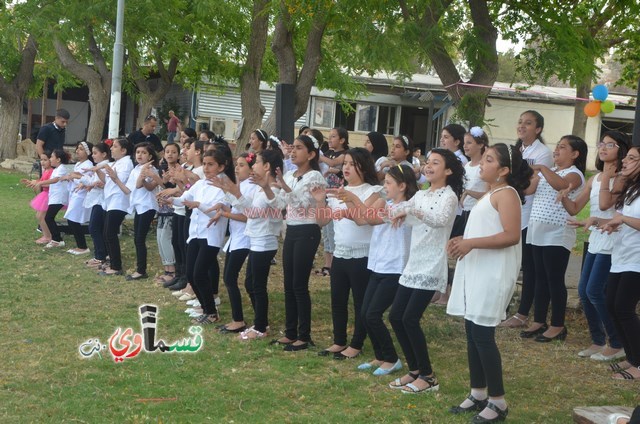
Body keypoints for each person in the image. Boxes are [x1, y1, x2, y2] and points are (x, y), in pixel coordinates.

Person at [447, 143, 532, 423]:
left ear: (504, 170)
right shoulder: (491, 192)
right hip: (478, 268)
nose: (482, 164)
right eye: (483, 159)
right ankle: (478, 392)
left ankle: (498, 402)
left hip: (493, 271)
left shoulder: (507, 194)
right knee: (472, 333)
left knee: (483, 336)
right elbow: (484, 230)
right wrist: (463, 241)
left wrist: (471, 242)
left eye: (489, 160)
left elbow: (511, 236)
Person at [387, 148, 463, 394]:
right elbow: (402, 211)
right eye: (428, 162)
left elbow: (439, 220)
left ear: (448, 170)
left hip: (431, 264)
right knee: (396, 316)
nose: (428, 166)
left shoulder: (449, 196)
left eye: (436, 163)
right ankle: (415, 370)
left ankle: (429, 377)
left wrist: (410, 210)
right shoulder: (421, 195)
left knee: (409, 318)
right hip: (414, 263)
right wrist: (400, 212)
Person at [557, 131, 629, 361]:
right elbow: (576, 207)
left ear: (622, 150)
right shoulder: (595, 178)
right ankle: (598, 341)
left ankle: (617, 343)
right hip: (596, 238)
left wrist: (608, 178)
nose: (604, 148)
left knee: (595, 291)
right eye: (602, 143)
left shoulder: (623, 177)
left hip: (613, 238)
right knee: (584, 293)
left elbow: (606, 203)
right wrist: (565, 195)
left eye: (611, 144)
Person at [340, 164, 416, 375]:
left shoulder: (406, 207)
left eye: (389, 183)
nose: (385, 186)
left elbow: (371, 217)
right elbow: (364, 218)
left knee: (373, 315)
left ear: (402, 186)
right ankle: (380, 356)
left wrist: (353, 198)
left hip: (394, 267)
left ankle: (392, 359)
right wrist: (348, 205)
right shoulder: (387, 202)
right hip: (378, 264)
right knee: (365, 314)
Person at [313, 148, 382, 359]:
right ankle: (339, 341)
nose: (347, 168)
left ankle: (356, 344)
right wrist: (319, 200)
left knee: (361, 301)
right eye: (345, 164)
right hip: (340, 254)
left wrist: (349, 197)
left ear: (364, 166)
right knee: (338, 299)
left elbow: (362, 218)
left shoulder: (373, 191)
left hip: (362, 255)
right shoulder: (337, 192)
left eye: (352, 164)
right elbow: (322, 221)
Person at [520, 135, 587, 342]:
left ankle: (558, 325)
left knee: (554, 279)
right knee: (540, 277)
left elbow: (562, 185)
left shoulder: (574, 174)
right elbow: (528, 190)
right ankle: (539, 320)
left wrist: (542, 168)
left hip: (557, 234)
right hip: (537, 231)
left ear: (575, 154)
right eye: (556, 146)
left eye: (562, 147)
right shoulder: (551, 171)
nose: (556, 150)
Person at [212, 150, 284, 340]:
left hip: (265, 241)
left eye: (258, 162)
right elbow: (246, 207)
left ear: (267, 166)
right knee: (251, 283)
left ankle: (260, 327)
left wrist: (235, 192)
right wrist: (230, 192)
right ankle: (261, 322)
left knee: (257, 285)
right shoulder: (260, 188)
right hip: (256, 240)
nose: (254, 166)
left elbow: (251, 213)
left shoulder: (273, 190)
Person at [266, 134, 326, 351]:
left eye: (299, 148)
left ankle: (304, 335)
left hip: (308, 230)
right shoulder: (290, 174)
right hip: (291, 229)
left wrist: (283, 184)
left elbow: (302, 205)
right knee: (288, 284)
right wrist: (269, 187)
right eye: (293, 147)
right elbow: (281, 203)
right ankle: (290, 332)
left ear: (311, 154)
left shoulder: (315, 177)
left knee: (299, 285)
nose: (293, 151)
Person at [500, 110, 553, 328]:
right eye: (520, 121)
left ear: (538, 129)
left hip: (529, 216)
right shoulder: (516, 150)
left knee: (528, 268)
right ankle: (505, 306)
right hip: (510, 211)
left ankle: (523, 314)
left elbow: (531, 186)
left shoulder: (543, 153)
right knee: (509, 264)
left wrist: (510, 183)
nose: (522, 126)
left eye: (528, 123)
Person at [209, 153, 259, 335]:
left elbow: (247, 216)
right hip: (236, 238)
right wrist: (223, 199)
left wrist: (225, 214)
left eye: (242, 165)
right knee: (231, 278)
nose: (237, 169)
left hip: (246, 238)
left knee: (232, 278)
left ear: (252, 169)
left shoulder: (253, 188)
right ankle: (244, 318)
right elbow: (233, 204)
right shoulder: (242, 185)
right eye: (236, 165)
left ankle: (240, 320)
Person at [602, 146, 640, 380]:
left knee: (624, 308)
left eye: (632, 158)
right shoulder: (630, 188)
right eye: (625, 157)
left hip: (637, 259)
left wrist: (622, 219)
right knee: (612, 305)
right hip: (622, 256)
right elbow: (622, 218)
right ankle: (632, 357)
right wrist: (601, 221)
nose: (624, 161)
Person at [315, 127, 349, 277]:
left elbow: (334, 162)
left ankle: (335, 264)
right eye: (329, 136)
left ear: (342, 140)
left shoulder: (345, 154)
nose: (330, 139)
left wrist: (320, 156)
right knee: (327, 231)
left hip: (338, 196)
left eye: (333, 137)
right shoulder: (327, 153)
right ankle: (327, 264)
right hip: (326, 194)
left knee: (335, 230)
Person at [97, 138, 135, 276]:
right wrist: (96, 170)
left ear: (123, 150)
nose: (111, 149)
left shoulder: (126, 163)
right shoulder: (117, 163)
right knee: (107, 232)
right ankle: (111, 261)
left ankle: (116, 266)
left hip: (119, 201)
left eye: (115, 146)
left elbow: (120, 181)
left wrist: (113, 176)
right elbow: (106, 180)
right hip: (111, 201)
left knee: (110, 233)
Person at [124, 142, 161, 280]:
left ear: (150, 156)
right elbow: (130, 188)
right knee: (137, 238)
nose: (140, 155)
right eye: (138, 152)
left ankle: (141, 270)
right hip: (138, 207)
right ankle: (140, 268)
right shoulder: (136, 169)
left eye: (144, 152)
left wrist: (144, 175)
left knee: (139, 239)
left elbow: (144, 186)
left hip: (148, 206)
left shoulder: (152, 170)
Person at [148, 143, 180, 284]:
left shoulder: (180, 170)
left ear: (178, 155)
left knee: (167, 239)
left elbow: (172, 188)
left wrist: (156, 178)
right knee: (160, 239)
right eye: (167, 151)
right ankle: (166, 269)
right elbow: (161, 186)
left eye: (173, 152)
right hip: (162, 208)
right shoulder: (163, 168)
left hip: (173, 209)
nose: (170, 154)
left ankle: (172, 272)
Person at [62, 142, 94, 255]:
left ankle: (82, 246)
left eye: (81, 149)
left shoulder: (88, 165)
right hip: (75, 193)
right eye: (77, 149)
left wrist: (78, 179)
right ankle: (80, 245)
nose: (77, 151)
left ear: (88, 152)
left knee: (73, 219)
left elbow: (89, 178)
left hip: (81, 194)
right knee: (72, 219)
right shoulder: (78, 164)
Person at [82, 142, 112, 268]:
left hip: (101, 201)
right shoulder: (99, 166)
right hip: (97, 200)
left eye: (95, 153)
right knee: (97, 228)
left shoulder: (104, 166)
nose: (93, 156)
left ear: (104, 154)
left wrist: (80, 177)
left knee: (94, 228)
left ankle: (100, 256)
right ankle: (103, 253)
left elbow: (100, 181)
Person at [38, 149, 71, 248]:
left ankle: (56, 239)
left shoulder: (61, 168)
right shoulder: (56, 169)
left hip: (59, 198)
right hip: (54, 197)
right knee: (49, 217)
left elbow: (55, 180)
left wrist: (41, 183)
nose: (50, 159)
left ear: (58, 159)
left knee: (48, 217)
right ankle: (57, 239)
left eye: (52, 157)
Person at [23, 152, 54, 244]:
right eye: (41, 160)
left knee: (41, 216)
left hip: (48, 195)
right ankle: (46, 235)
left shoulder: (52, 171)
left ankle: (48, 236)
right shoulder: (46, 171)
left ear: (50, 160)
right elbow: (41, 181)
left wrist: (39, 183)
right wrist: (32, 182)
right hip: (44, 194)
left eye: (45, 160)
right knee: (40, 216)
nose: (42, 162)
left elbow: (50, 183)